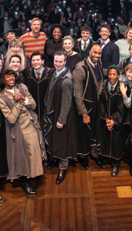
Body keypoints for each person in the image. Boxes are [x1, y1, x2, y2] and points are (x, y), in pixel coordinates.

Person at [0, 69, 46, 195]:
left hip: (31, 124)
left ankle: (33, 175)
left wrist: (23, 98)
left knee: (34, 152)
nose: (11, 78)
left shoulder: (22, 87)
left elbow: (33, 105)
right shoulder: (1, 99)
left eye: (13, 76)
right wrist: (19, 103)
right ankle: (24, 181)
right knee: (22, 156)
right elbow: (11, 119)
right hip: (17, 129)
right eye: (8, 77)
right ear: (3, 80)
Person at [43, 51, 78, 184]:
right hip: (53, 112)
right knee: (55, 140)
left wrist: (61, 120)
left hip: (62, 116)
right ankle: (55, 159)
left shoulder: (67, 80)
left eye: (60, 62)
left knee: (63, 142)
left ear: (65, 62)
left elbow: (67, 103)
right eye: (56, 61)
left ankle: (63, 168)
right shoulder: (53, 73)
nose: (57, 64)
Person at [72, 43, 103, 169]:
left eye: (99, 53)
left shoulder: (99, 65)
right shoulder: (80, 68)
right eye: (95, 52)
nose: (97, 55)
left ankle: (94, 153)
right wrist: (84, 113)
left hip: (95, 105)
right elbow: (77, 94)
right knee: (83, 133)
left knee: (94, 130)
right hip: (85, 107)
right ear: (90, 52)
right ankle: (82, 156)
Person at [96, 65, 130, 177]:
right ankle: (107, 157)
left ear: (118, 76)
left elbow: (123, 106)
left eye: (114, 74)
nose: (111, 76)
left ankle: (116, 164)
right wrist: (106, 119)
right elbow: (101, 104)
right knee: (106, 140)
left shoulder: (124, 87)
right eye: (110, 74)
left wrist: (113, 120)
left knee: (116, 143)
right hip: (106, 120)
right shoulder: (103, 86)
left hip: (118, 121)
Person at [23, 51, 53, 128]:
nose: (35, 62)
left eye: (38, 60)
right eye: (33, 60)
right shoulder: (27, 73)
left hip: (46, 106)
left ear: (42, 61)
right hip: (32, 107)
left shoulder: (50, 72)